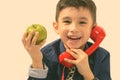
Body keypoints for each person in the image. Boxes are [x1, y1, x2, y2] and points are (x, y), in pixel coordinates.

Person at [22, 0, 111, 80]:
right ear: (56, 27)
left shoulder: (101, 56)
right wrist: (37, 62)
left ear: (93, 28)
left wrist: (88, 74)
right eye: (67, 21)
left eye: (82, 22)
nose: (74, 29)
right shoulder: (46, 54)